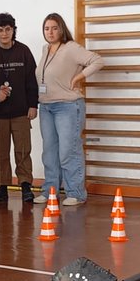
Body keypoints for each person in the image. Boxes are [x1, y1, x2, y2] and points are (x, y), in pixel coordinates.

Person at [36, 13, 102, 207]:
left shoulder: (71, 48)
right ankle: (50, 191)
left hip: (68, 106)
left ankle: (76, 192)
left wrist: (78, 77)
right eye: (47, 28)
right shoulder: (45, 49)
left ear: (61, 29)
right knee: (49, 152)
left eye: (54, 28)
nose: (50, 32)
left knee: (68, 150)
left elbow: (97, 60)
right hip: (46, 106)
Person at [0, 12, 38, 204]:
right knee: (0, 152)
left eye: (8, 29)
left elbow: (32, 80)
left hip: (21, 111)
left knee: (23, 150)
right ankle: (2, 186)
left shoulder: (24, 51)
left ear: (13, 30)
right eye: (0, 30)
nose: (5, 33)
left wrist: (33, 105)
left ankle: (25, 185)